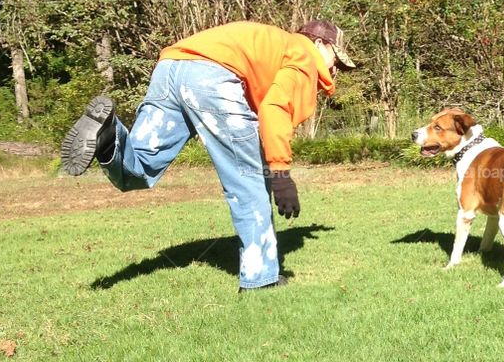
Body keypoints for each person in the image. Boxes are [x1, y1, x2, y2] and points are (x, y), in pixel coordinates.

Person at [60, 19, 356, 290]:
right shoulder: (303, 54)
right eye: (336, 60)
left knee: (140, 166)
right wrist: (280, 173)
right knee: (251, 180)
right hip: (213, 76)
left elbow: (261, 115)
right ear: (319, 44)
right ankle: (261, 279)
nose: (334, 70)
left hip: (171, 66)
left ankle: (109, 136)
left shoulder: (273, 46)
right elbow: (274, 108)